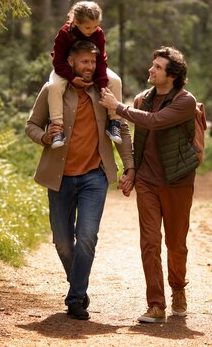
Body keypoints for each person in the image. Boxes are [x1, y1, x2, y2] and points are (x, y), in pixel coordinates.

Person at [26, 40, 135, 320]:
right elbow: (32, 125)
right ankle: (79, 285)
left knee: (87, 237)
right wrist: (45, 137)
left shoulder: (104, 90)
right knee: (62, 241)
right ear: (71, 62)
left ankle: (75, 298)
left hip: (94, 177)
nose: (89, 67)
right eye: (84, 61)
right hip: (59, 177)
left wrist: (129, 166)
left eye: (93, 62)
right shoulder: (54, 90)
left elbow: (121, 126)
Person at [99, 46, 199, 323]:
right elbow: (138, 136)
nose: (150, 70)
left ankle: (178, 289)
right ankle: (156, 304)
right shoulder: (142, 98)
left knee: (176, 244)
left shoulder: (185, 101)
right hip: (147, 181)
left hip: (178, 181)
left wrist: (117, 108)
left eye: (157, 67)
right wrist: (131, 170)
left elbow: (155, 122)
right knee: (150, 242)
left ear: (173, 74)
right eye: (152, 64)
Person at [48, 0, 124, 148]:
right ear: (76, 22)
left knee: (115, 81)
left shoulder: (98, 33)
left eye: (95, 26)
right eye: (88, 27)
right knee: (54, 86)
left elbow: (101, 60)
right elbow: (57, 62)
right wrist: (71, 78)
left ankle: (114, 122)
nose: (92, 30)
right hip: (66, 68)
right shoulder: (65, 33)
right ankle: (57, 128)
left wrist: (102, 84)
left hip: (93, 65)